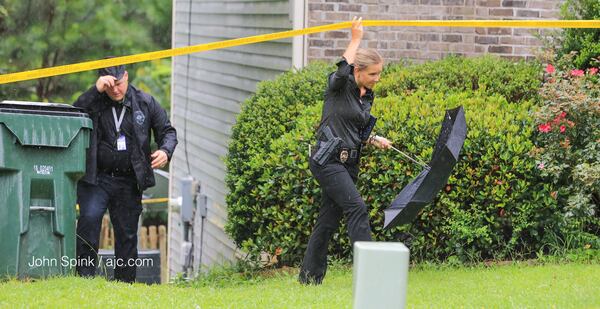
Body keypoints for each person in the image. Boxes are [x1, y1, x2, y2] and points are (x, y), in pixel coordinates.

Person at [299, 17, 392, 285]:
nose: (377, 79)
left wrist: (374, 138)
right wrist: (355, 39)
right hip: (327, 160)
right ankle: (372, 276)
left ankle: (309, 278)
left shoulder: (368, 95)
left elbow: (356, 129)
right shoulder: (339, 86)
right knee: (357, 208)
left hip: (348, 164)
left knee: (328, 221)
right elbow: (340, 71)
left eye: (379, 74)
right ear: (357, 70)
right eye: (373, 73)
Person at [73, 62, 177, 283]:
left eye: (119, 84)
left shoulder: (145, 102)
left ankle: (124, 285)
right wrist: (95, 90)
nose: (115, 90)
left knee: (127, 236)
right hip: (96, 179)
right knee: (89, 222)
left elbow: (167, 131)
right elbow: (74, 114)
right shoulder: (94, 101)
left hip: (129, 181)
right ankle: (84, 280)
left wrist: (165, 151)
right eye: (110, 86)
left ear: (126, 77)